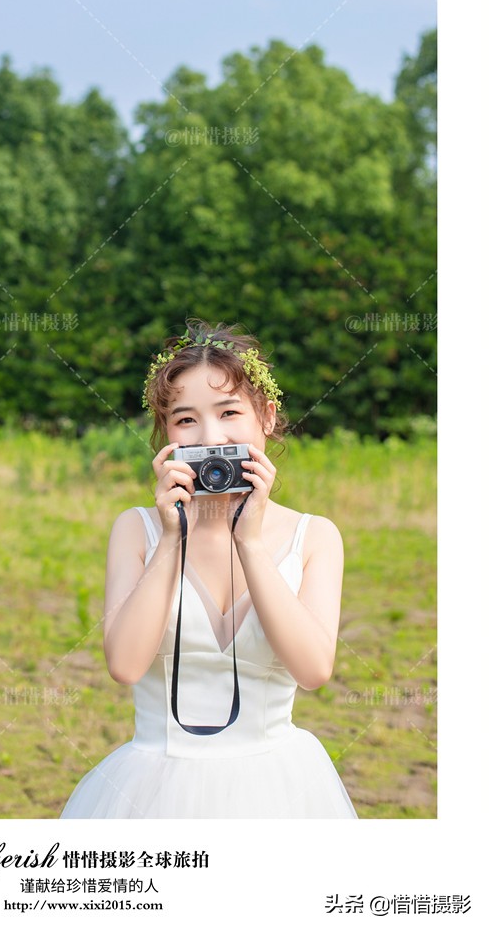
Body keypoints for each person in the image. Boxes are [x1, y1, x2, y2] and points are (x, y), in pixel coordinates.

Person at [60, 320, 357, 819]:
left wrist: (250, 542)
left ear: (266, 415)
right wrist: (172, 538)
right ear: (165, 433)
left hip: (279, 786)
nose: (211, 438)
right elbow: (125, 666)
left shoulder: (316, 536)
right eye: (186, 420)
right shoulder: (137, 530)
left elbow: (313, 670)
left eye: (229, 412)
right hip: (153, 783)